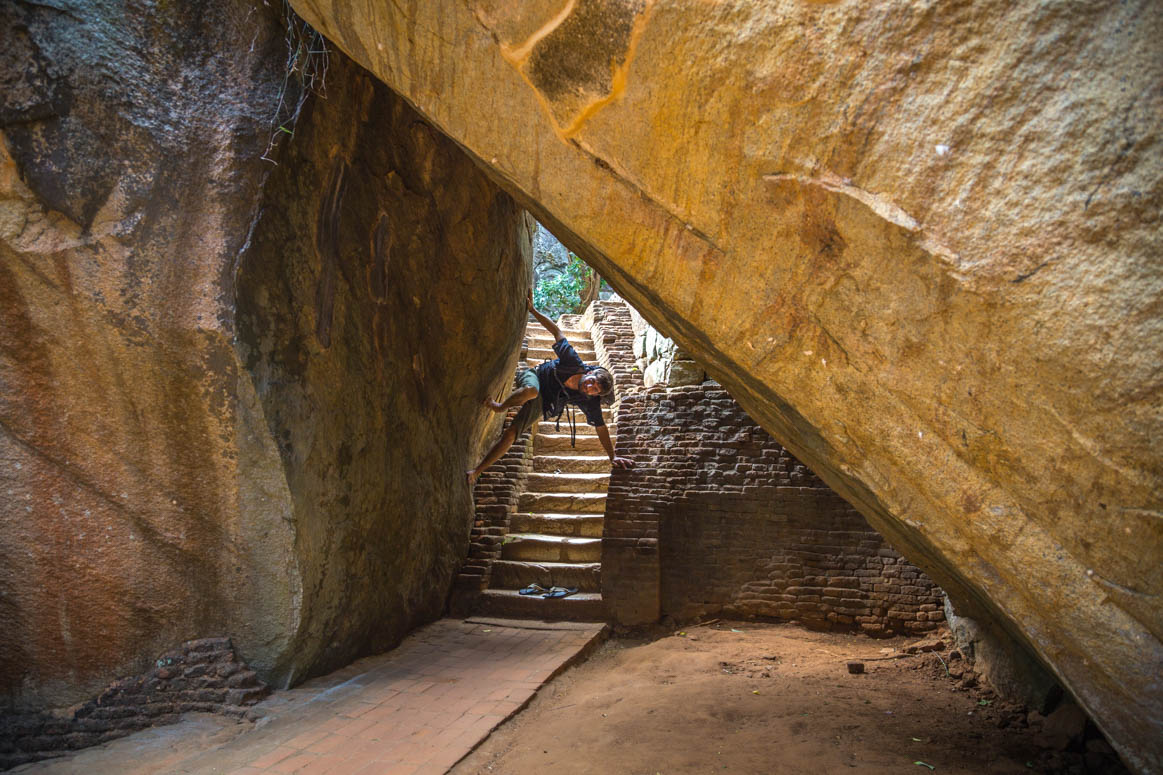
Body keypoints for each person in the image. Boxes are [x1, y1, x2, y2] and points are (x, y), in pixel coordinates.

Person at [467, 291, 635, 486]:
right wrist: (533, 310)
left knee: (513, 433)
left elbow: (601, 429)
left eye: (595, 390)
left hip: (546, 401)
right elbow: (557, 331)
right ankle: (500, 407)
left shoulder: (590, 402)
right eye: (592, 382)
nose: (590, 387)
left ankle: (477, 471)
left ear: (596, 395)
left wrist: (612, 457)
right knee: (532, 390)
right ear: (590, 374)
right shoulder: (573, 361)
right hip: (536, 376)